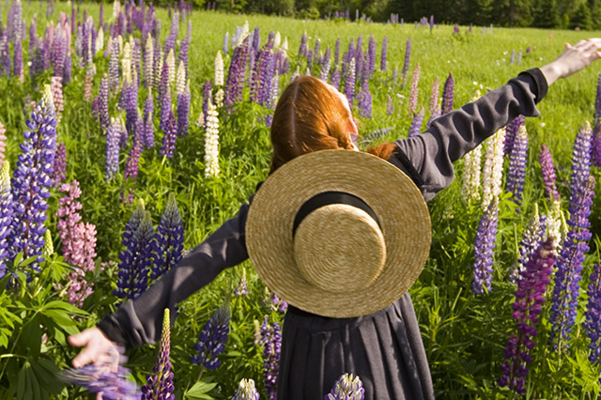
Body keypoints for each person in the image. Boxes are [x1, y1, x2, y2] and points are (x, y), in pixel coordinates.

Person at [70, 38, 601, 399]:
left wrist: (117, 329)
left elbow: (202, 261)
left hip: (308, 351)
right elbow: (470, 122)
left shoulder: (273, 205)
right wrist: (554, 69)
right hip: (383, 338)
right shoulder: (392, 166)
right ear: (345, 126)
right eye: (338, 97)